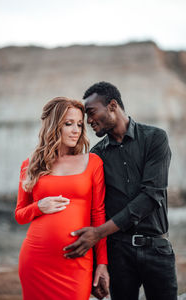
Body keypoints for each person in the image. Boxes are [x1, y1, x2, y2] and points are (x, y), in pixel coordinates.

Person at [64, 82, 178, 300]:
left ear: (112, 105)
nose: (88, 121)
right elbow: (96, 210)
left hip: (157, 249)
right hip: (118, 254)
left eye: (91, 112)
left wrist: (98, 233)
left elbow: (151, 195)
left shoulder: (155, 138)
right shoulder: (96, 156)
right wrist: (99, 266)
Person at [15, 97, 109, 300]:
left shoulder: (92, 162)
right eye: (68, 124)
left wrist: (102, 264)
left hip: (77, 262)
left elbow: (98, 214)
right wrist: (38, 207)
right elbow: (20, 215)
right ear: (54, 125)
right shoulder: (30, 165)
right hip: (36, 260)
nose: (76, 130)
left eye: (79, 124)